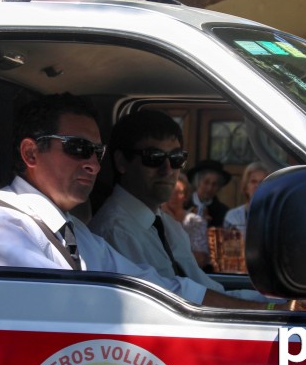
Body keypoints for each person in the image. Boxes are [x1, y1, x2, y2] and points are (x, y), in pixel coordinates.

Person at [0, 93, 277, 310]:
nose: (92, 163)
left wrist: (268, 310)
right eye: (78, 148)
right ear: (31, 152)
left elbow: (155, 284)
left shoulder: (74, 231)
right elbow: (71, 308)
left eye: (96, 152)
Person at [90, 111, 267, 301]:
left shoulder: (167, 225)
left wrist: (276, 304)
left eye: (176, 158)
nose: (167, 170)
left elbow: (210, 291)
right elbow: (168, 308)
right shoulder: (115, 233)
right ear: (122, 161)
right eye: (154, 157)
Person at [162, 176, 210, 268]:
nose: (174, 196)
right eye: (171, 191)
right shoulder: (157, 218)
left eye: (179, 192)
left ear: (185, 196)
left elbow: (200, 258)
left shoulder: (195, 221)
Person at [223, 161, 271, 237]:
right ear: (245, 187)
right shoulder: (233, 216)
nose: (258, 186)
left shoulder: (275, 214)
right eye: (253, 181)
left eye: (262, 182)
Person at [186, 159, 231, 227]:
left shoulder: (223, 212)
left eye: (214, 184)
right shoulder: (183, 204)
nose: (210, 188)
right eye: (206, 182)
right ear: (197, 182)